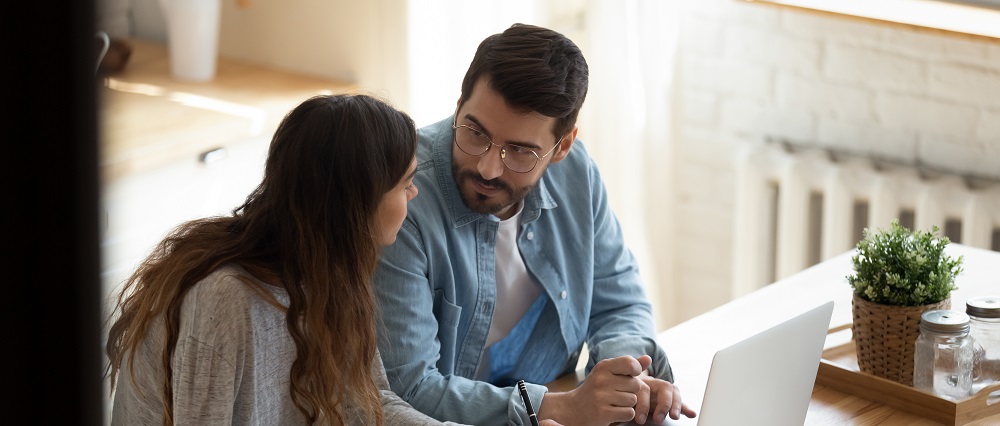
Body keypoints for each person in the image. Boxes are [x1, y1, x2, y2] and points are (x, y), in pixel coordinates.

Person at [374, 23, 698, 426]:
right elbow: (409, 390)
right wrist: (561, 407)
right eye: (475, 132)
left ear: (562, 147)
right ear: (458, 106)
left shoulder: (578, 174)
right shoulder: (400, 199)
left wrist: (625, 378)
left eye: (520, 151)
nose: (488, 166)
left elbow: (620, 302)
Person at [105, 94, 460, 425]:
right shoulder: (224, 296)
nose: (414, 194)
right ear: (358, 203)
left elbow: (366, 404)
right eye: (405, 183)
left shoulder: (332, 271)